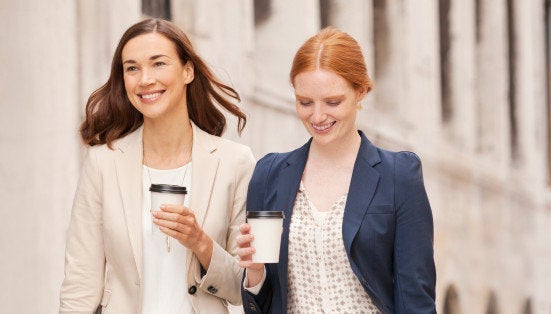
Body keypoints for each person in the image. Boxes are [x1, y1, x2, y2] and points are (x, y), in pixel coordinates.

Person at [59, 18, 255, 314]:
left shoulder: (234, 162)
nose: (145, 79)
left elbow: (244, 287)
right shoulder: (103, 163)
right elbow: (80, 283)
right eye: (132, 68)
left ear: (187, 70)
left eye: (158, 64)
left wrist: (200, 242)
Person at [237, 27, 436, 313]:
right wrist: (255, 273)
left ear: (361, 92)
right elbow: (263, 304)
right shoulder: (269, 175)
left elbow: (415, 297)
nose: (317, 116)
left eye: (333, 102)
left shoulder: (398, 176)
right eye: (305, 102)